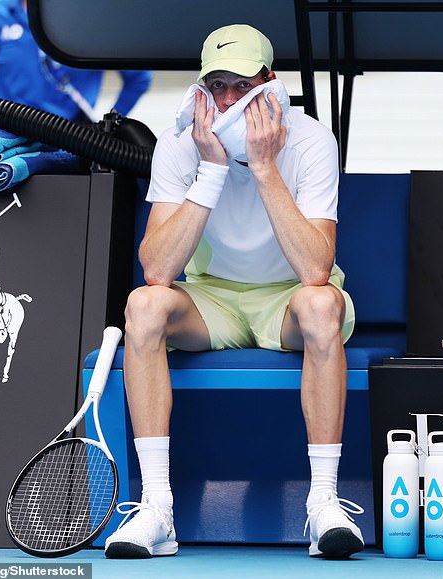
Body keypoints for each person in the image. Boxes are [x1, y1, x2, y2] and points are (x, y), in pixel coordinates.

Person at [104, 24, 364, 560]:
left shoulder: (312, 141)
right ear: (201, 92)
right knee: (143, 305)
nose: (228, 100)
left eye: (242, 85)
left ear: (271, 87)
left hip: (289, 298)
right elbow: (156, 268)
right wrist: (213, 170)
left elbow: (316, 268)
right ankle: (157, 508)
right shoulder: (181, 147)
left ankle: (323, 503)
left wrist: (265, 167)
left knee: (321, 306)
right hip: (213, 301)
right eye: (217, 85)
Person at [0, 0, 152, 122]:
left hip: (65, 145)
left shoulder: (97, 17)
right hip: (8, 142)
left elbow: (138, 79)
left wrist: (109, 127)